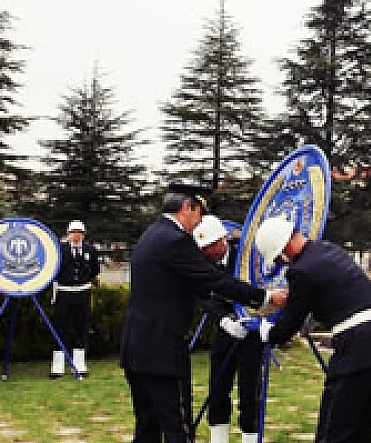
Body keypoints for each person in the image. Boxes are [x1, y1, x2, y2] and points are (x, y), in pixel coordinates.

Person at [120, 183, 287, 443]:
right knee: (179, 430)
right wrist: (265, 296)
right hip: (163, 353)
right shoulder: (176, 240)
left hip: (136, 349)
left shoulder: (151, 235)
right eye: (199, 214)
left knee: (147, 428)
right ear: (188, 207)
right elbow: (213, 280)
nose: (198, 223)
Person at [254, 216, 371, 443]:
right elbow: (333, 295)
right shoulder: (327, 250)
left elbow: (290, 322)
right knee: (364, 432)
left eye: (279, 259)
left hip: (358, 354)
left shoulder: (301, 271)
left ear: (283, 248)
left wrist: (269, 333)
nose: (283, 263)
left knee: (333, 433)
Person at [194, 216, 264, 443]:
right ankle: (218, 438)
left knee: (249, 392)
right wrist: (224, 320)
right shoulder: (203, 261)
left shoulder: (246, 256)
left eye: (211, 246)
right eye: (204, 248)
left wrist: (253, 318)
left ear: (222, 241)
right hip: (226, 329)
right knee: (218, 388)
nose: (207, 252)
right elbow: (203, 294)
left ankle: (250, 438)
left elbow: (259, 286)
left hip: (251, 331)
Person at [50, 220, 101, 379]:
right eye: (73, 232)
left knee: (81, 327)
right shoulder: (60, 249)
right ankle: (57, 366)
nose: (76, 235)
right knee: (60, 327)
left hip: (82, 292)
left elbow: (94, 269)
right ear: (68, 234)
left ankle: (79, 364)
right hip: (64, 292)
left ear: (83, 234)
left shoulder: (89, 249)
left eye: (79, 232)